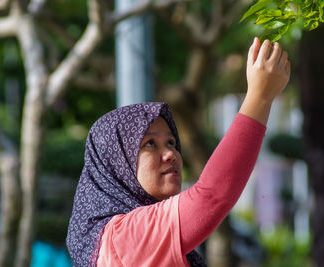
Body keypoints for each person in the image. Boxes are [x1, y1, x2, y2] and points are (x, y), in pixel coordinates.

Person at [66, 37, 290, 266]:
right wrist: (259, 97)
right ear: (115, 164)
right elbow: (211, 196)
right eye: (150, 144)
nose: (170, 154)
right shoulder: (121, 239)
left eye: (172, 143)